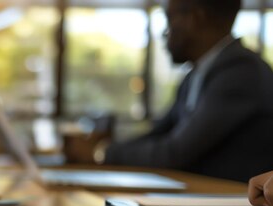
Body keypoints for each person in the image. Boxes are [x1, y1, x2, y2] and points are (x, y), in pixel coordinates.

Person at [64, 0, 273, 183]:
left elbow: (175, 152)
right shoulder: (197, 74)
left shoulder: (241, 71)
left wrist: (101, 152)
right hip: (199, 202)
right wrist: (103, 146)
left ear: (194, 18)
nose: (165, 32)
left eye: (169, 19)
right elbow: (159, 132)